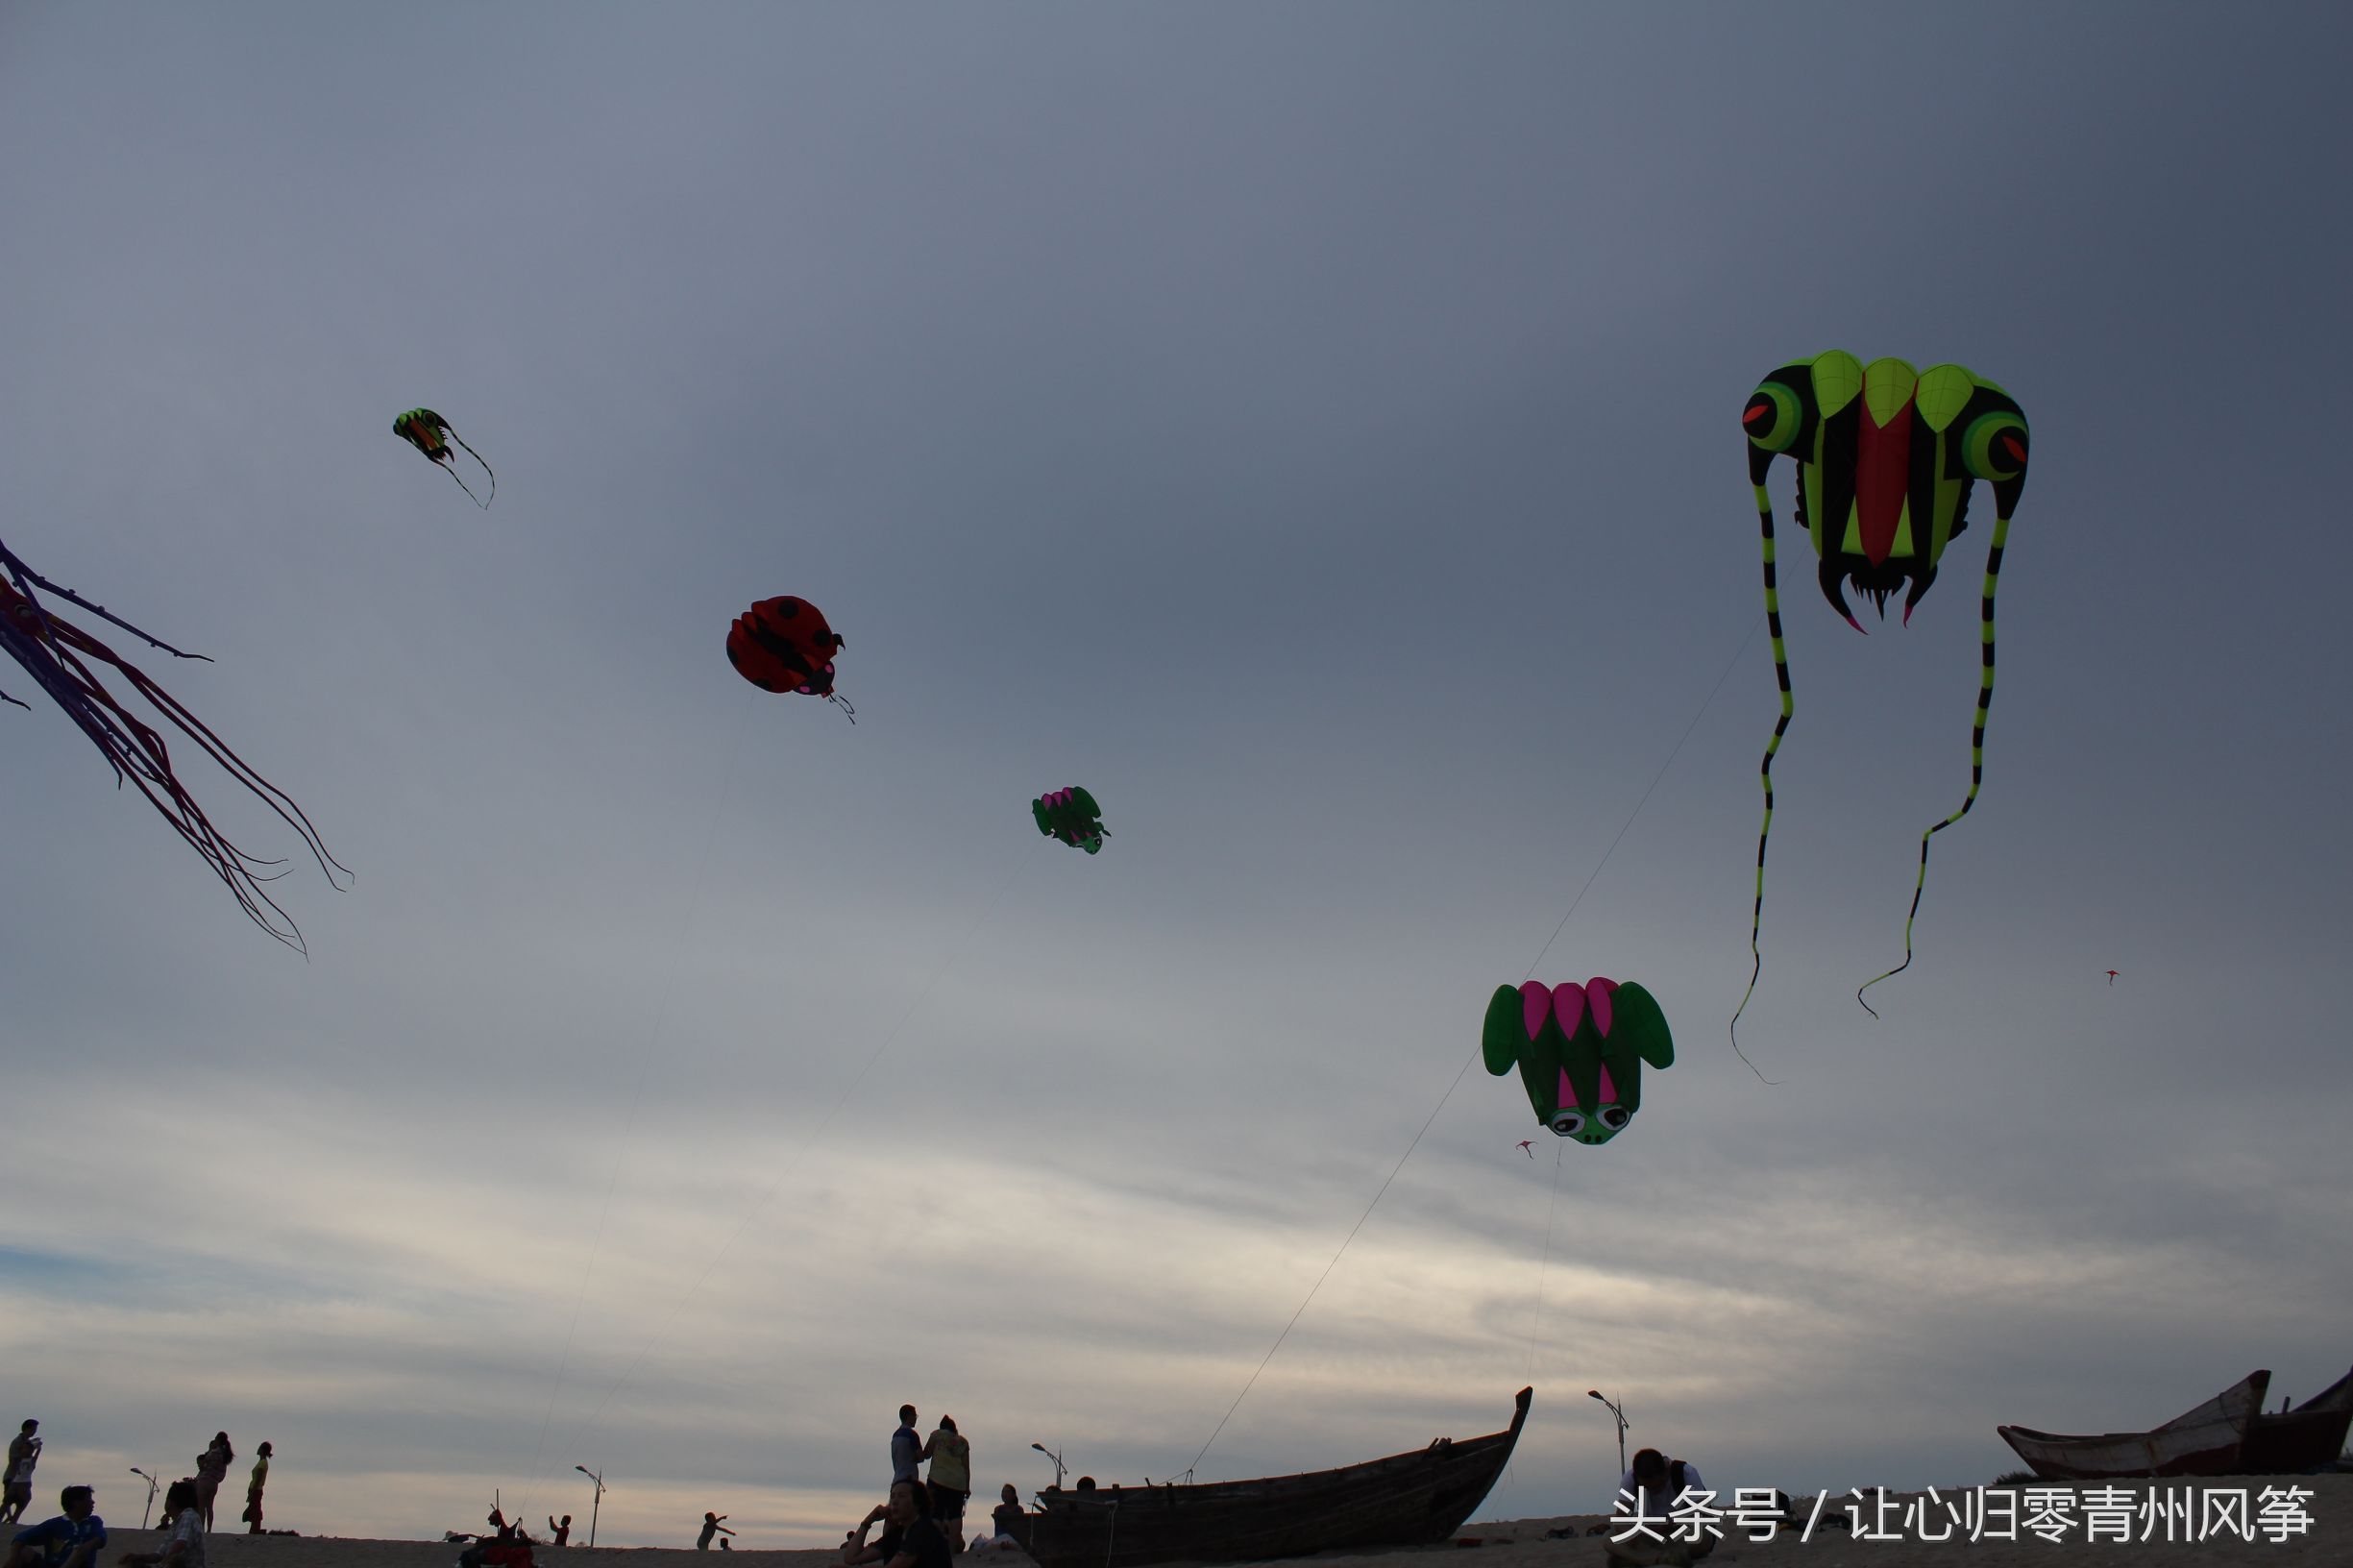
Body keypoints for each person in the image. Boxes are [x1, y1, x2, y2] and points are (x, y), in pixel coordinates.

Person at [1609, 1448, 1713, 1565]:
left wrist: (1673, 1521)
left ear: (1666, 1470)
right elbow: (1620, 1519)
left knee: (1704, 1535)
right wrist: (1631, 1535)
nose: (1654, 1491)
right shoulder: (1630, 1479)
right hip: (1650, 1536)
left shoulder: (1686, 1473)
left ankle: (1640, 1558)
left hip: (1680, 1534)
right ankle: (1661, 1559)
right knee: (1609, 1537)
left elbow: (1702, 1511)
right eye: (1647, 1488)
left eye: (1658, 1486)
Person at [842, 1482, 945, 1568]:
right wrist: (868, 1521)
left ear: (918, 1503)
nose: (894, 1501)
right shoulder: (899, 1533)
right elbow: (851, 1558)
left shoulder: (923, 1530)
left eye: (902, 1496)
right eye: (892, 1496)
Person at [5, 1485, 104, 1568]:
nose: (93, 1502)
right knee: (23, 1551)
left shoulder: (93, 1522)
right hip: (52, 1565)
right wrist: (14, 1557)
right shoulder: (55, 1524)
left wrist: (86, 1547)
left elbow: (100, 1538)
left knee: (79, 1552)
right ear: (77, 1503)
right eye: (89, 1499)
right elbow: (20, 1538)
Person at [118, 1482, 203, 1568]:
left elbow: (181, 1543)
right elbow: (158, 1555)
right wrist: (139, 1557)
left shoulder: (189, 1516)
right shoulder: (176, 1524)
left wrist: (163, 1563)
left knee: (176, 1560)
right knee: (132, 1562)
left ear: (170, 1502)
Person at [918, 1418, 969, 1551]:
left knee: (936, 1513)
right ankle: (951, 1549)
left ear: (941, 1427)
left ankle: (936, 1547)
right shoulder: (963, 1442)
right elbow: (966, 1467)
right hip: (958, 1483)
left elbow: (927, 1454)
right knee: (955, 1515)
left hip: (937, 1480)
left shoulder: (936, 1435)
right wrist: (967, 1486)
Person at [1, 1424, 38, 1527]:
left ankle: (11, 1519)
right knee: (9, 1500)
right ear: (27, 1429)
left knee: (17, 1501)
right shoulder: (18, 1442)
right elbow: (13, 1460)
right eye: (33, 1429)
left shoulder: (25, 1442)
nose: (34, 1432)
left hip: (17, 1478)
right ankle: (10, 1518)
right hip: (13, 1477)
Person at [191, 1439, 231, 1532]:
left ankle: (201, 1528)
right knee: (209, 1507)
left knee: (201, 1507)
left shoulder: (210, 1455)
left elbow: (201, 1467)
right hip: (214, 1483)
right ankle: (209, 1529)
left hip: (204, 1481)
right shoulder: (223, 1457)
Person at [239, 1446, 271, 1536]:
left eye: (260, 1448)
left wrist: (252, 1491)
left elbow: (258, 1478)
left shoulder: (263, 1463)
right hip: (255, 1489)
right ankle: (254, 1530)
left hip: (256, 1489)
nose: (258, 1449)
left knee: (255, 1510)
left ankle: (255, 1530)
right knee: (254, 1509)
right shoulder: (262, 1462)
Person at [891, 1408, 920, 1486]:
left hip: (897, 1479)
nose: (915, 1418)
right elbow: (921, 1457)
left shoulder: (895, 1435)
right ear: (909, 1416)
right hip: (909, 1479)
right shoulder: (912, 1435)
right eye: (915, 1415)